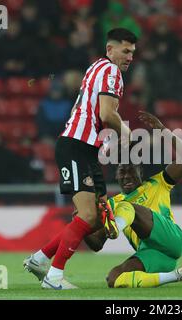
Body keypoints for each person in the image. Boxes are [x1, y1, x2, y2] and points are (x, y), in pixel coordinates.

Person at [23, 28, 137, 290]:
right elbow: (107, 114)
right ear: (110, 49)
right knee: (87, 214)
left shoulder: (95, 66)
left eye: (132, 53)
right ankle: (54, 277)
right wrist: (126, 131)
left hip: (85, 149)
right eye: (125, 51)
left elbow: (92, 111)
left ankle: (39, 259)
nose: (130, 57)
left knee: (95, 218)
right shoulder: (111, 72)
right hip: (76, 146)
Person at [90, 111, 182, 288]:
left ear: (140, 172)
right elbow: (96, 244)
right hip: (152, 254)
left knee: (127, 207)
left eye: (131, 170)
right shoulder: (111, 202)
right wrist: (80, 219)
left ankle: (115, 227)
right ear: (116, 176)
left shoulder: (158, 183)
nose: (126, 176)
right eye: (122, 172)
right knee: (114, 278)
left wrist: (163, 131)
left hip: (172, 240)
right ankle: (175, 275)